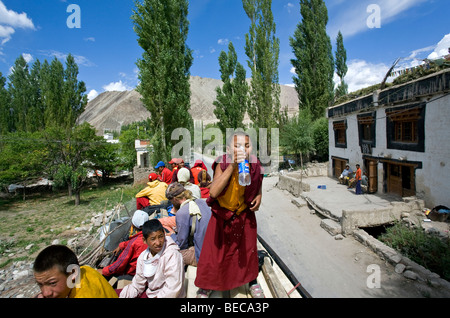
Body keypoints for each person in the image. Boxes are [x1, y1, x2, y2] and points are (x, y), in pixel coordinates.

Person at [194, 131, 264, 298]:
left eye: (247, 146)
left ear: (251, 148)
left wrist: (260, 195)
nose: (242, 150)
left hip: (244, 214)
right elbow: (213, 191)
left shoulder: (254, 164)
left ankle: (252, 281)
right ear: (228, 149)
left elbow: (257, 182)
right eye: (237, 146)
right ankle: (206, 285)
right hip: (222, 216)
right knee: (214, 255)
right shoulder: (223, 163)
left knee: (248, 251)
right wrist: (232, 165)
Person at [118, 219, 185, 298]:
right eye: (153, 239)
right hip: (152, 294)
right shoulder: (143, 257)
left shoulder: (172, 255)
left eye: (160, 237)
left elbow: (173, 289)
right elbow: (137, 285)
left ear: (164, 234)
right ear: (144, 241)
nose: (158, 242)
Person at [33, 244, 117, 298]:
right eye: (40, 284)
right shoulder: (85, 269)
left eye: (52, 283)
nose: (46, 293)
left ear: (73, 274)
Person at [165, 182, 212, 266]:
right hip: (214, 248)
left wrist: (172, 235)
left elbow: (182, 244)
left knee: (171, 254)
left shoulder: (182, 213)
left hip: (203, 255)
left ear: (174, 199)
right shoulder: (201, 202)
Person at [99, 210, 149, 284]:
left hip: (134, 274)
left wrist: (104, 271)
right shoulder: (150, 236)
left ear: (133, 224)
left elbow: (120, 264)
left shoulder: (133, 243)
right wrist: (122, 245)